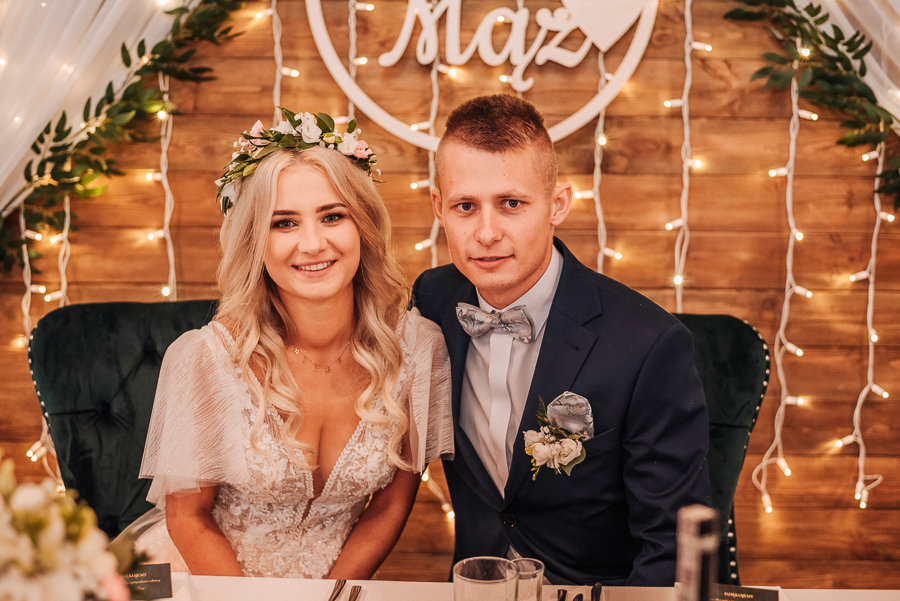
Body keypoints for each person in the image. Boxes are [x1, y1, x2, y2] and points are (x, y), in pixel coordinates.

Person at [133, 109, 453, 578]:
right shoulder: (206, 359)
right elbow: (189, 519)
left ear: (362, 225)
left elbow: (390, 506)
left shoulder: (418, 348)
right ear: (255, 241)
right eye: (284, 223)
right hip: (210, 581)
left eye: (332, 216)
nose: (313, 243)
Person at [412, 94, 711, 586]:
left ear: (558, 205)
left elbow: (672, 545)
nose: (486, 233)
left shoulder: (649, 344)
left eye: (511, 204)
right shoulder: (431, 300)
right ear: (438, 207)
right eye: (466, 206)